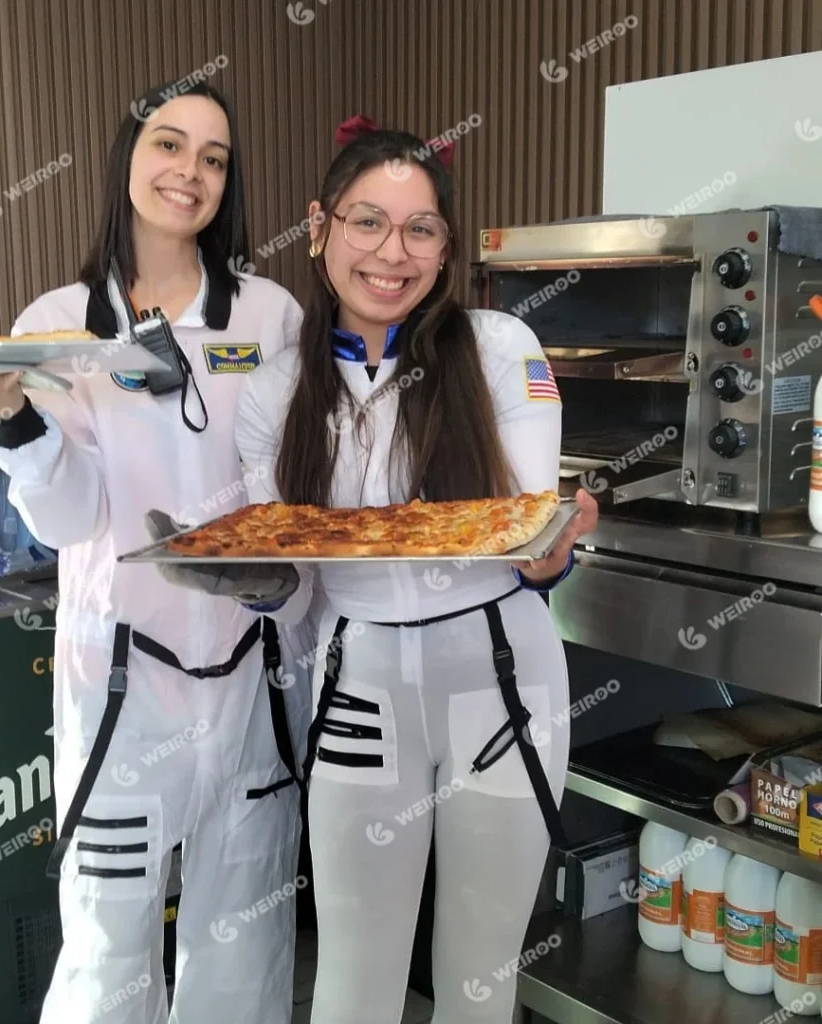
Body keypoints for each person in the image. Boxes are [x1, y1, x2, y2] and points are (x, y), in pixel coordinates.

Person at [0, 83, 310, 1024]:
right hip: (123, 685)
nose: (190, 172)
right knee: (108, 953)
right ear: (127, 156)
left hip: (254, 678)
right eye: (169, 144)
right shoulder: (56, 323)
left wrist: (278, 577)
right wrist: (14, 419)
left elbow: (289, 492)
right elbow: (68, 515)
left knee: (245, 950)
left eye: (214, 157)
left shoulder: (268, 316)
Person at [234, 115, 599, 1024]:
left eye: (420, 228)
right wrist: (250, 580)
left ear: (445, 246)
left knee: (480, 977)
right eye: (367, 221)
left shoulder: (500, 347)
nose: (392, 253)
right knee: (354, 980)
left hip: (504, 684)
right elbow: (290, 579)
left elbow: (523, 533)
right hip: (358, 691)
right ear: (318, 227)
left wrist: (549, 555)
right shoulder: (276, 390)